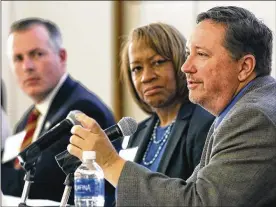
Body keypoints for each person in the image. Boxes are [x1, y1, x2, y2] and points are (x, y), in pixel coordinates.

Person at [67, 6, 276, 206]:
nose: (185, 67)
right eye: (187, 54)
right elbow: (192, 192)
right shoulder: (239, 111)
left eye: (201, 54)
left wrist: (110, 162)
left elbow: (199, 203)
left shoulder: (252, 117)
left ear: (245, 66)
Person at [1, 17, 117, 205]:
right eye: (18, 58)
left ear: (62, 57)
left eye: (37, 54)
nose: (27, 66)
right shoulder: (31, 116)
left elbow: (35, 183)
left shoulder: (82, 111)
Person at [120, 22, 214, 180]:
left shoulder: (204, 124)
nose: (147, 77)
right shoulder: (136, 132)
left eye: (157, 62)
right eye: (137, 68)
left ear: (181, 62)